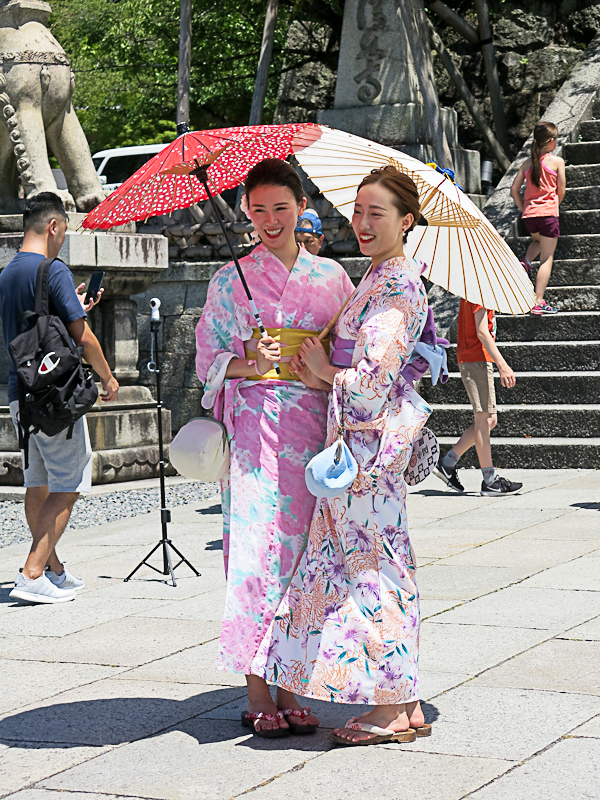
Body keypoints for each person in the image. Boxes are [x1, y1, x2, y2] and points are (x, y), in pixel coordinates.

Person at [251, 165, 433, 746]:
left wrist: (328, 371)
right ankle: (401, 701)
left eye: (376, 214)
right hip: (366, 454)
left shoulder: (397, 285)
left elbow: (373, 381)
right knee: (379, 568)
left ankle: (388, 708)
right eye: (357, 211)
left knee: (372, 574)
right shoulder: (380, 277)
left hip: (366, 453)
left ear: (407, 221)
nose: (361, 223)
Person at [195, 159, 354, 738]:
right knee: (257, 554)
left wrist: (319, 368)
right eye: (258, 209)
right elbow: (206, 361)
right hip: (256, 431)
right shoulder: (228, 279)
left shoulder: (333, 278)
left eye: (280, 208)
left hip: (312, 425)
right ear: (245, 211)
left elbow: (349, 351)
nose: (269, 220)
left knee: (308, 556)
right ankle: (256, 689)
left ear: (301, 206)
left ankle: (293, 684)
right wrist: (247, 363)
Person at [0, 192, 119, 605]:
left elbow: (38, 325)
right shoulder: (53, 270)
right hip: (54, 395)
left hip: (20, 393)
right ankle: (32, 572)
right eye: (63, 232)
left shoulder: (9, 272)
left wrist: (76, 306)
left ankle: (52, 569)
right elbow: (82, 337)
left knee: (39, 482)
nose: (62, 240)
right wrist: (108, 378)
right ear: (53, 226)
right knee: (69, 481)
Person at [434, 298, 522, 497]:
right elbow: (482, 331)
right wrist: (503, 365)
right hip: (477, 359)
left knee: (490, 420)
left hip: (476, 358)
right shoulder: (480, 293)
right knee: (483, 419)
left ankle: (448, 462)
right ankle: (490, 480)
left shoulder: (475, 291)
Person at [510, 121, 565, 316]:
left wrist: (525, 208)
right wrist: (552, 207)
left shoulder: (527, 164)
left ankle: (524, 262)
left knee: (537, 241)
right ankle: (538, 301)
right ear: (551, 141)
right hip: (548, 214)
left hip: (530, 216)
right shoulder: (556, 162)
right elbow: (561, 190)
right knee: (547, 258)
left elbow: (514, 190)